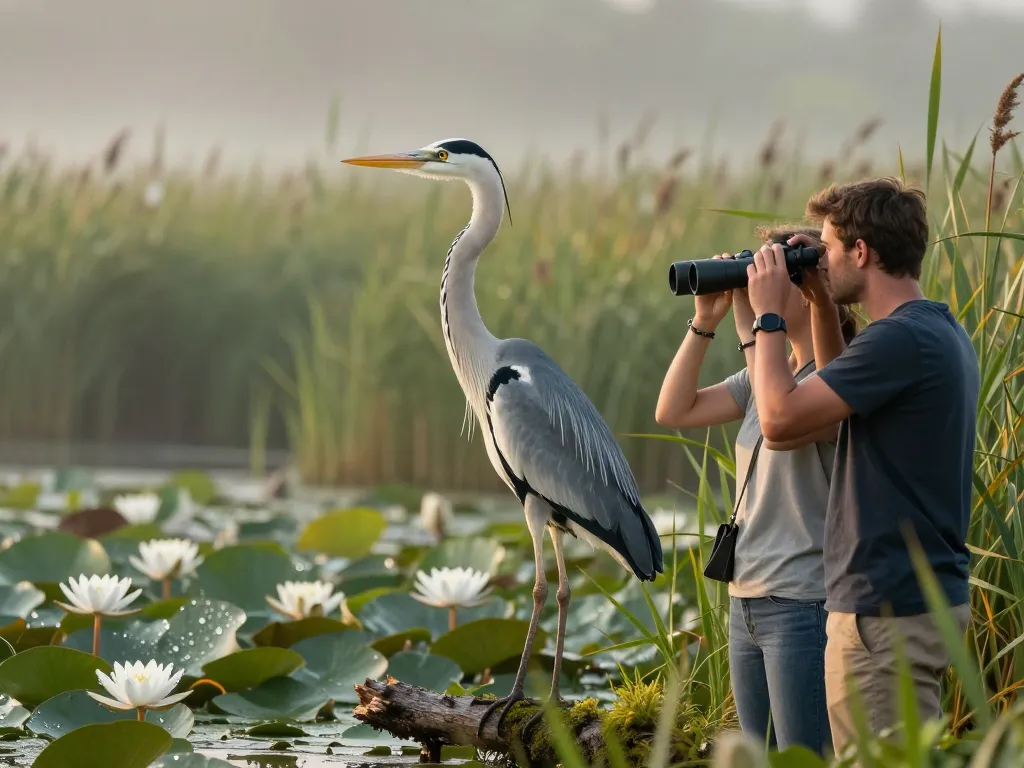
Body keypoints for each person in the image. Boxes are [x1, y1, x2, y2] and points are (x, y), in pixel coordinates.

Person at [743, 177, 979, 756]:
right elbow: (835, 404)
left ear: (862, 251)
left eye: (825, 249)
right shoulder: (932, 330)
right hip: (908, 602)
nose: (818, 260)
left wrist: (768, 317)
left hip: (883, 614)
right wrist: (821, 299)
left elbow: (779, 422)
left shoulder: (897, 341)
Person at [655, 225, 857, 756]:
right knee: (760, 758)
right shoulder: (769, 379)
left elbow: (779, 420)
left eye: (773, 271)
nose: (757, 279)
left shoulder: (834, 379)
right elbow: (674, 410)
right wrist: (706, 320)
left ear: (811, 284)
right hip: (745, 599)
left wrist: (759, 315)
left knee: (801, 758)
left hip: (802, 601)